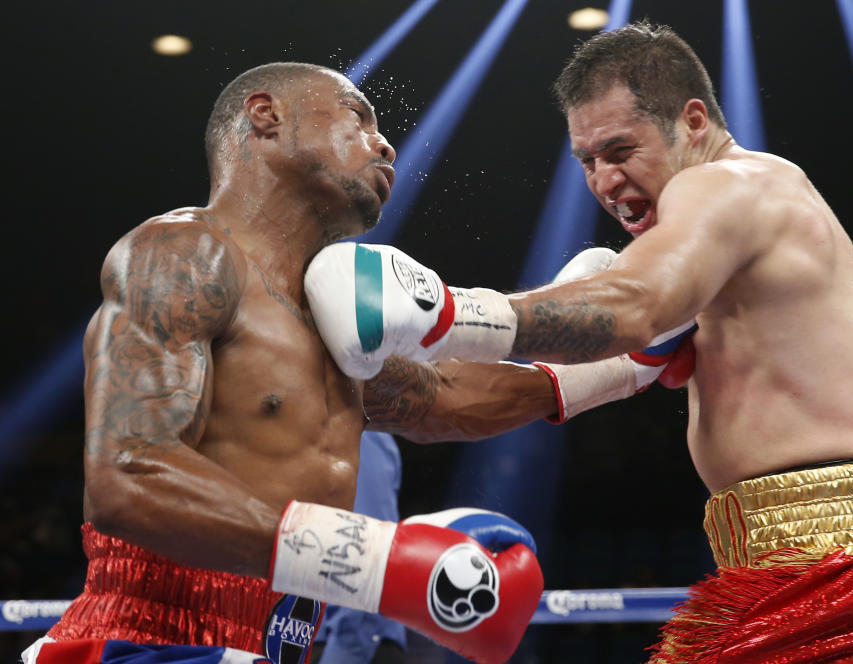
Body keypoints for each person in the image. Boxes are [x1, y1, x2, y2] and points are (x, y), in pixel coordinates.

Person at [308, 21, 853, 662]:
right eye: (588, 161)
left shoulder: (730, 185)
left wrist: (442, 311)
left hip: (834, 566)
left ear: (693, 121)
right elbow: (524, 392)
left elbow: (635, 305)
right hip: (797, 563)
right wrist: (353, 376)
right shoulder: (702, 273)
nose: (605, 182)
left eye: (620, 150)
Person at [23, 60, 694, 664]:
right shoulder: (185, 253)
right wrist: (380, 565)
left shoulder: (326, 316)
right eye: (356, 116)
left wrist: (624, 364)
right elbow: (127, 478)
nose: (384, 143)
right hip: (152, 643)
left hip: (278, 644)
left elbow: (447, 397)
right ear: (266, 117)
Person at [311, 431, 407, 664]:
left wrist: (346, 650)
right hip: (306, 636)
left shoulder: (356, 434)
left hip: (345, 643)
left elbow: (365, 556)